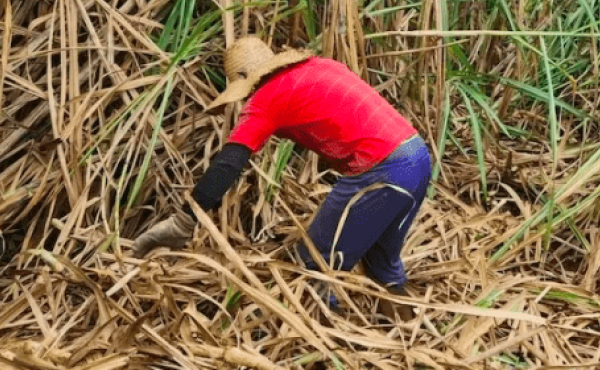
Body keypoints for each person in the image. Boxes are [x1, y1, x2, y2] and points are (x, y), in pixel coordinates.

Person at [132, 37, 431, 317]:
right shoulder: (321, 66)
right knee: (381, 264)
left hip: (382, 169)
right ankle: (412, 338)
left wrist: (184, 220)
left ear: (246, 82)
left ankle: (324, 353)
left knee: (312, 265)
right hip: (417, 157)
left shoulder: (266, 99)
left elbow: (228, 164)